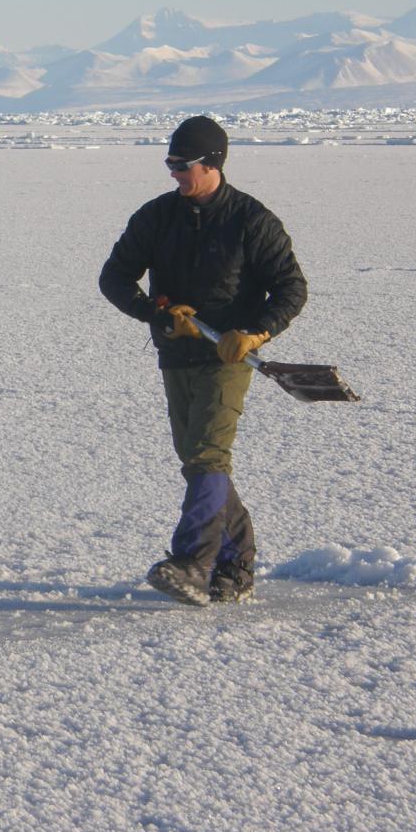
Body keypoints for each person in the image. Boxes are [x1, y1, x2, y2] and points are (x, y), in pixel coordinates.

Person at [98, 115, 307, 605]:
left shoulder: (252, 220)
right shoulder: (155, 217)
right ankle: (235, 567)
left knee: (208, 456)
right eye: (168, 163)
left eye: (181, 164)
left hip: (227, 359)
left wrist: (256, 332)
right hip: (176, 356)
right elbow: (114, 277)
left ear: (212, 164)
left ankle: (192, 562)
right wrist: (154, 312)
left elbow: (292, 289)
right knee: (197, 462)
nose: (173, 173)